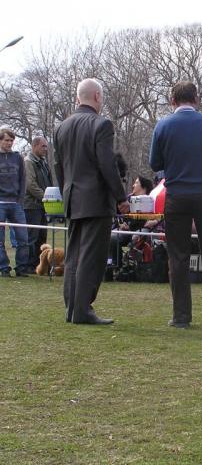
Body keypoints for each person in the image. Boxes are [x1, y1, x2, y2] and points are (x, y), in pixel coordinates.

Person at [149, 81, 202, 328]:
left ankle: (181, 316)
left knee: (179, 256)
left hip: (177, 195)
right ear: (196, 98)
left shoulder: (163, 125)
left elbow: (155, 163)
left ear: (172, 100)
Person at [53, 79, 129, 324]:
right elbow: (108, 165)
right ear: (97, 96)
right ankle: (83, 310)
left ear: (78, 98)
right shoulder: (101, 125)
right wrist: (121, 198)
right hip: (96, 200)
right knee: (91, 257)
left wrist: (67, 190)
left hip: (72, 198)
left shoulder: (61, 127)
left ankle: (72, 309)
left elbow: (58, 166)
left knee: (73, 255)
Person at [0, 128, 30, 278]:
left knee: (23, 238)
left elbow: (23, 179)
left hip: (16, 203)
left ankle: (22, 267)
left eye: (12, 140)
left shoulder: (17, 157)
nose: (9, 143)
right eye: (6, 140)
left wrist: (20, 198)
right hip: (0, 203)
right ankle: (4, 268)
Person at [23, 136, 53, 272]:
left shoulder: (43, 162)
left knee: (42, 235)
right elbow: (30, 185)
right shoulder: (28, 162)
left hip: (42, 205)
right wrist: (46, 197)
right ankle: (28, 264)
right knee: (32, 236)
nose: (46, 149)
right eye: (43, 146)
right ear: (34, 146)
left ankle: (39, 264)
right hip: (31, 205)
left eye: (46, 146)